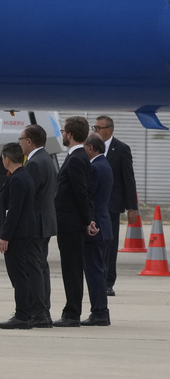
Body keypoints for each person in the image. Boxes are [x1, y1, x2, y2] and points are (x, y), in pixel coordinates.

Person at [53, 116, 99, 328]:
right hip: (71, 222)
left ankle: (72, 313)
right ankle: (71, 311)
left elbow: (81, 192)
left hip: (70, 224)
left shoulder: (77, 158)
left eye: (63, 131)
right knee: (71, 268)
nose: (62, 134)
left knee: (71, 269)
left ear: (70, 135)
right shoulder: (79, 157)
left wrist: (87, 220)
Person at [0, 142, 40, 330]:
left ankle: (22, 315)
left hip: (17, 235)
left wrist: (5, 236)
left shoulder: (18, 179)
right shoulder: (23, 176)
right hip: (23, 232)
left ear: (7, 159)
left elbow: (13, 211)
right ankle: (25, 312)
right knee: (21, 274)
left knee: (18, 275)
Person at [92, 115, 138, 296]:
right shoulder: (90, 147)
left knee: (109, 244)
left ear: (109, 130)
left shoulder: (121, 149)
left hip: (111, 205)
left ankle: (108, 281)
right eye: (94, 127)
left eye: (98, 128)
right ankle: (96, 278)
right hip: (93, 204)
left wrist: (131, 206)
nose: (95, 130)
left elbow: (128, 178)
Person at [19, 123, 57, 327]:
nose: (20, 143)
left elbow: (27, 194)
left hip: (35, 223)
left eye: (21, 139)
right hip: (45, 221)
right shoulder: (46, 158)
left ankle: (39, 313)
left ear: (29, 141)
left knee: (34, 268)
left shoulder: (34, 163)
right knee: (41, 267)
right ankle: (43, 311)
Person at [81, 134, 113, 326]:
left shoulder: (94, 168)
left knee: (94, 272)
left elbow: (90, 198)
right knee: (98, 270)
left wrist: (87, 222)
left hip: (95, 227)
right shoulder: (105, 165)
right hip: (104, 224)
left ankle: (100, 312)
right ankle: (101, 311)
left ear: (91, 148)